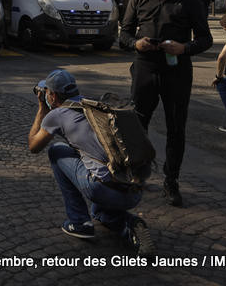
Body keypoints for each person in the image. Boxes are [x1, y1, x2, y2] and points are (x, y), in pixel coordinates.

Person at [119, 0, 212, 207]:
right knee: (138, 125)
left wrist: (185, 48)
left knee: (176, 127)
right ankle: (138, 173)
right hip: (145, 67)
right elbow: (124, 33)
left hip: (177, 70)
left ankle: (171, 181)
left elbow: (206, 39)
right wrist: (135, 43)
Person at [27, 69, 153, 256]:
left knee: (56, 150)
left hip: (102, 189)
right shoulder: (94, 106)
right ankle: (130, 225)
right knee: (100, 212)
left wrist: (42, 109)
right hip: (134, 188)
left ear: (52, 96)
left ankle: (79, 223)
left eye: (46, 93)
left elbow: (33, 146)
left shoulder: (57, 115)